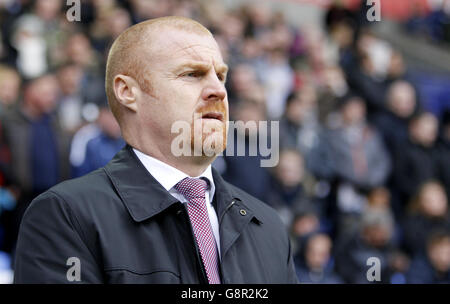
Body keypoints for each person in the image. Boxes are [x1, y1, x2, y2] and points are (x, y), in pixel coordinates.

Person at [14, 16, 298, 284]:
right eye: (192, 74)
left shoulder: (268, 226)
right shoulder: (67, 216)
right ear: (127, 92)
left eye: (221, 76)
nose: (219, 91)